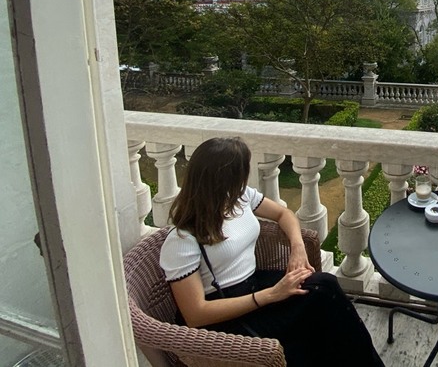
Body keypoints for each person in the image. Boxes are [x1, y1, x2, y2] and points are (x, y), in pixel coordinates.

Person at [159, 137, 384, 366]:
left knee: (325, 288)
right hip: (227, 315)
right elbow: (196, 314)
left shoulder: (238, 197)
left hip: (257, 285)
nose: (244, 179)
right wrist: (271, 295)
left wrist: (298, 248)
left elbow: (283, 215)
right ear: (222, 180)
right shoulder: (182, 240)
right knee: (318, 313)